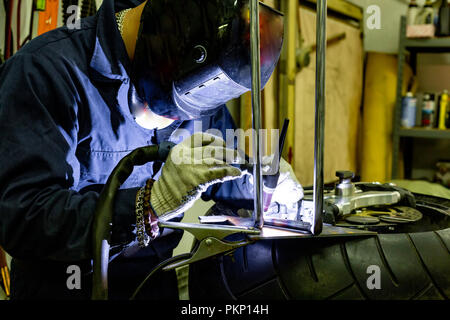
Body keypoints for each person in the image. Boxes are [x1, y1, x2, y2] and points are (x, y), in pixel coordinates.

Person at [0, 0, 301, 299]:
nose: (176, 121)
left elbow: (216, 165)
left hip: (155, 286)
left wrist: (257, 182)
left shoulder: (203, 72)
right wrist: (147, 206)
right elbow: (24, 215)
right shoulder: (47, 70)